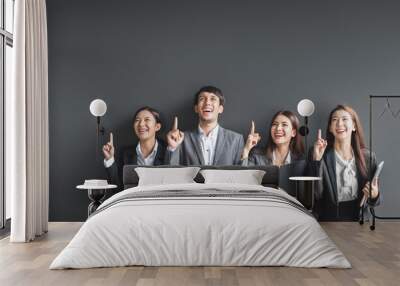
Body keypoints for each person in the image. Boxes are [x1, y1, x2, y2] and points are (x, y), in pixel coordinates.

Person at [308, 105, 380, 221]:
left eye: (345, 119)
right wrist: (317, 161)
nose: (339, 124)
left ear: (354, 126)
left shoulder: (368, 157)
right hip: (328, 222)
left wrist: (375, 194)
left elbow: (375, 202)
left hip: (360, 222)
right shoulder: (318, 152)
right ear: (330, 128)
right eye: (335, 120)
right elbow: (316, 195)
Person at [165, 85, 244, 165]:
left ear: (220, 109)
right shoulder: (181, 139)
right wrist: (172, 147)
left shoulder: (236, 140)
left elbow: (241, 174)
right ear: (196, 108)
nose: (207, 102)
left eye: (213, 99)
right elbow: (171, 173)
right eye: (202, 99)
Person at [103, 106, 166, 189]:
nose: (141, 124)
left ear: (157, 127)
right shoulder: (125, 153)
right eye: (137, 120)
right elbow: (117, 189)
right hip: (132, 201)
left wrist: (172, 149)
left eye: (147, 120)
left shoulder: (167, 151)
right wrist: (110, 159)